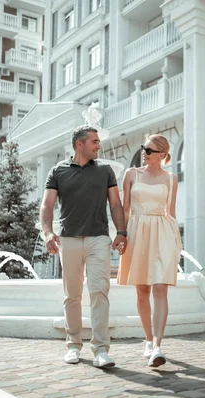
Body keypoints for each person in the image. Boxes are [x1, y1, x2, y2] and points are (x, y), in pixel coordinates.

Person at [40, 125, 127, 368]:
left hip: (99, 238)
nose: (99, 145)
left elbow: (116, 204)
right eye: (94, 142)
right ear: (80, 144)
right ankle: (73, 344)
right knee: (72, 295)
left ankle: (101, 349)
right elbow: (47, 206)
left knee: (99, 291)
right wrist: (48, 233)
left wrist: (121, 232)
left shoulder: (105, 170)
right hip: (68, 239)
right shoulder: (58, 171)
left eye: (99, 141)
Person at [117, 134, 181, 367]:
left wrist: (176, 244)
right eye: (144, 148)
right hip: (137, 232)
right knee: (142, 291)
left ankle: (158, 346)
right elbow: (125, 210)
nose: (145, 152)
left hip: (162, 232)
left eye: (150, 150)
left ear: (163, 155)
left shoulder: (171, 179)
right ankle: (147, 339)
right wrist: (121, 234)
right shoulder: (131, 174)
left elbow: (171, 213)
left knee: (161, 289)